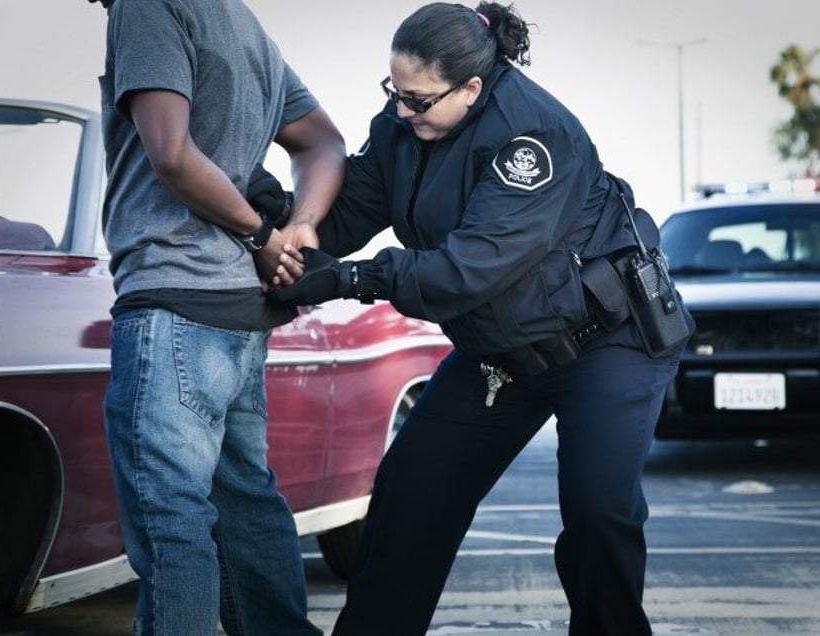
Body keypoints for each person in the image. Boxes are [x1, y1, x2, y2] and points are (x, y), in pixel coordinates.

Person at [270, 2, 693, 635]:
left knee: (598, 516)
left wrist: (355, 278)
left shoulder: (535, 136)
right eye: (395, 92)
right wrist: (280, 225)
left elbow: (472, 268)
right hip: (503, 351)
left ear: (472, 86)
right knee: (410, 496)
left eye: (417, 100)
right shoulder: (404, 125)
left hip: (608, 341)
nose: (401, 110)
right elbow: (352, 208)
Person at [89, 0, 345, 634]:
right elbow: (324, 142)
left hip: (172, 300)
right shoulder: (241, 21)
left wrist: (267, 234)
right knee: (247, 508)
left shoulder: (147, 7)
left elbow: (170, 154)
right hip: (237, 312)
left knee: (172, 523)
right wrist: (301, 226)